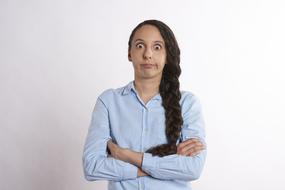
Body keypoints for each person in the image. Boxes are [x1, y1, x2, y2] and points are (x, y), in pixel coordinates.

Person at [82, 19, 207, 190]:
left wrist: (123, 154)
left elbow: (193, 168)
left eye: (157, 47)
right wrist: (161, 167)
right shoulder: (108, 101)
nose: (148, 54)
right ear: (129, 53)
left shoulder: (187, 103)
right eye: (140, 46)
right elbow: (92, 167)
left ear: (167, 54)